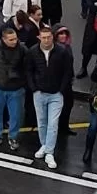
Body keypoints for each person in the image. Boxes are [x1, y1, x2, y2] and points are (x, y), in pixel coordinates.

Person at [27, 24, 73, 170]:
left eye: (49, 37)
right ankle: (45, 146)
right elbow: (28, 71)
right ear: (39, 38)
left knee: (53, 124)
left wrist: (61, 89)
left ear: (52, 37)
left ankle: (49, 152)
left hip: (56, 94)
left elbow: (68, 72)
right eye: (43, 38)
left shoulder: (62, 52)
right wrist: (34, 89)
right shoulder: (33, 52)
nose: (46, 40)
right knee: (41, 122)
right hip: (39, 93)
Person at [0, 27, 28, 151]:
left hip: (16, 88)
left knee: (15, 114)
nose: (14, 41)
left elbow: (27, 67)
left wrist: (22, 81)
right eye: (11, 39)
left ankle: (13, 136)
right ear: (4, 39)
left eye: (15, 38)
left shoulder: (23, 50)